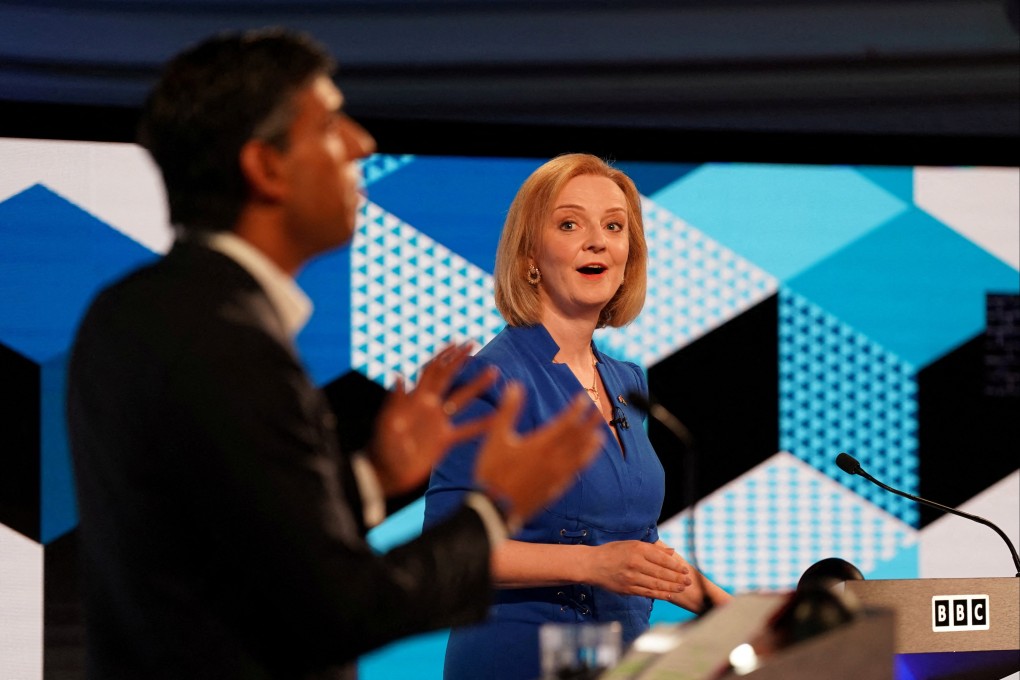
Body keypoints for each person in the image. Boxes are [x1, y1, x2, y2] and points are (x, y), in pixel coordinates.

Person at [65, 29, 604, 680]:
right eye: (330, 124)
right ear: (266, 167)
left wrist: (374, 475)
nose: (362, 143)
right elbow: (340, 608)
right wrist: (495, 508)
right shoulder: (223, 338)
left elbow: (233, 544)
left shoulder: (140, 310)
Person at [424, 153, 732, 679]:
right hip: (520, 660)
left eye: (614, 226)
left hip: (621, 662)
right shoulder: (489, 382)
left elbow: (639, 551)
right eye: (570, 224)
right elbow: (450, 553)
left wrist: (744, 617)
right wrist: (592, 564)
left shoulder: (627, 383)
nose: (598, 241)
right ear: (529, 258)